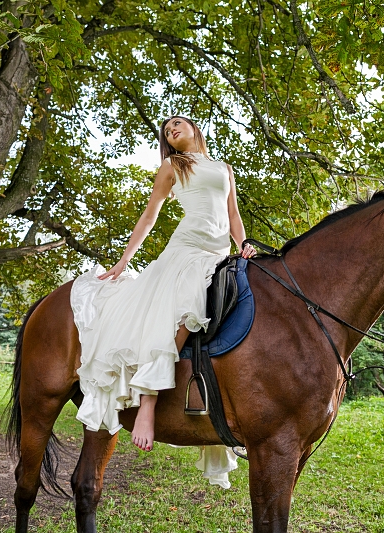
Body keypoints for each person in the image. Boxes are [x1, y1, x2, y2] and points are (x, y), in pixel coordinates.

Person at [71, 116, 256, 459]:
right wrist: (125, 260)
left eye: (177, 124)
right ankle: (147, 404)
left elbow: (232, 215)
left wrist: (244, 242)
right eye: (167, 131)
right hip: (186, 248)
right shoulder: (173, 165)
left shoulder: (223, 168)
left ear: (195, 129)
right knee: (186, 312)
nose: (171, 130)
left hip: (218, 252)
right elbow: (149, 215)